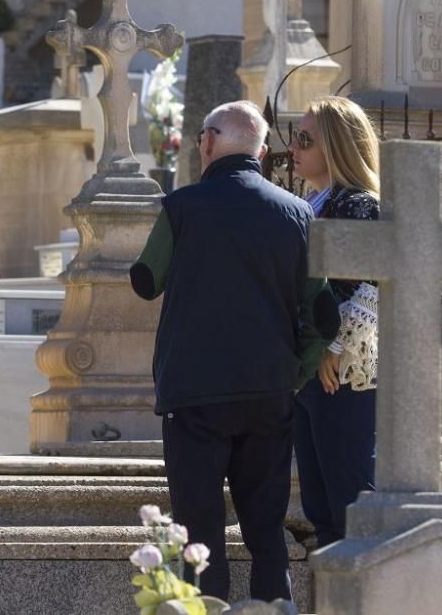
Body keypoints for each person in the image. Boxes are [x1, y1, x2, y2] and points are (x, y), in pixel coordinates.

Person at [129, 100, 337, 602]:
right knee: (266, 533)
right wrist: (297, 371)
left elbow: (146, 281)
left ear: (206, 142)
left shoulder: (182, 208)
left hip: (195, 395)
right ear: (263, 152)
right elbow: (324, 313)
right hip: (269, 393)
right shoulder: (296, 214)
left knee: (200, 537)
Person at [289, 96, 380, 549]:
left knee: (350, 504)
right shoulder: (309, 203)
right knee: (320, 509)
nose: (294, 148)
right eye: (293, 136)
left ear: (336, 146)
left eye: (305, 139)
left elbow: (371, 285)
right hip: (310, 371)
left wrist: (335, 346)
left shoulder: (359, 204)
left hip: (341, 374)